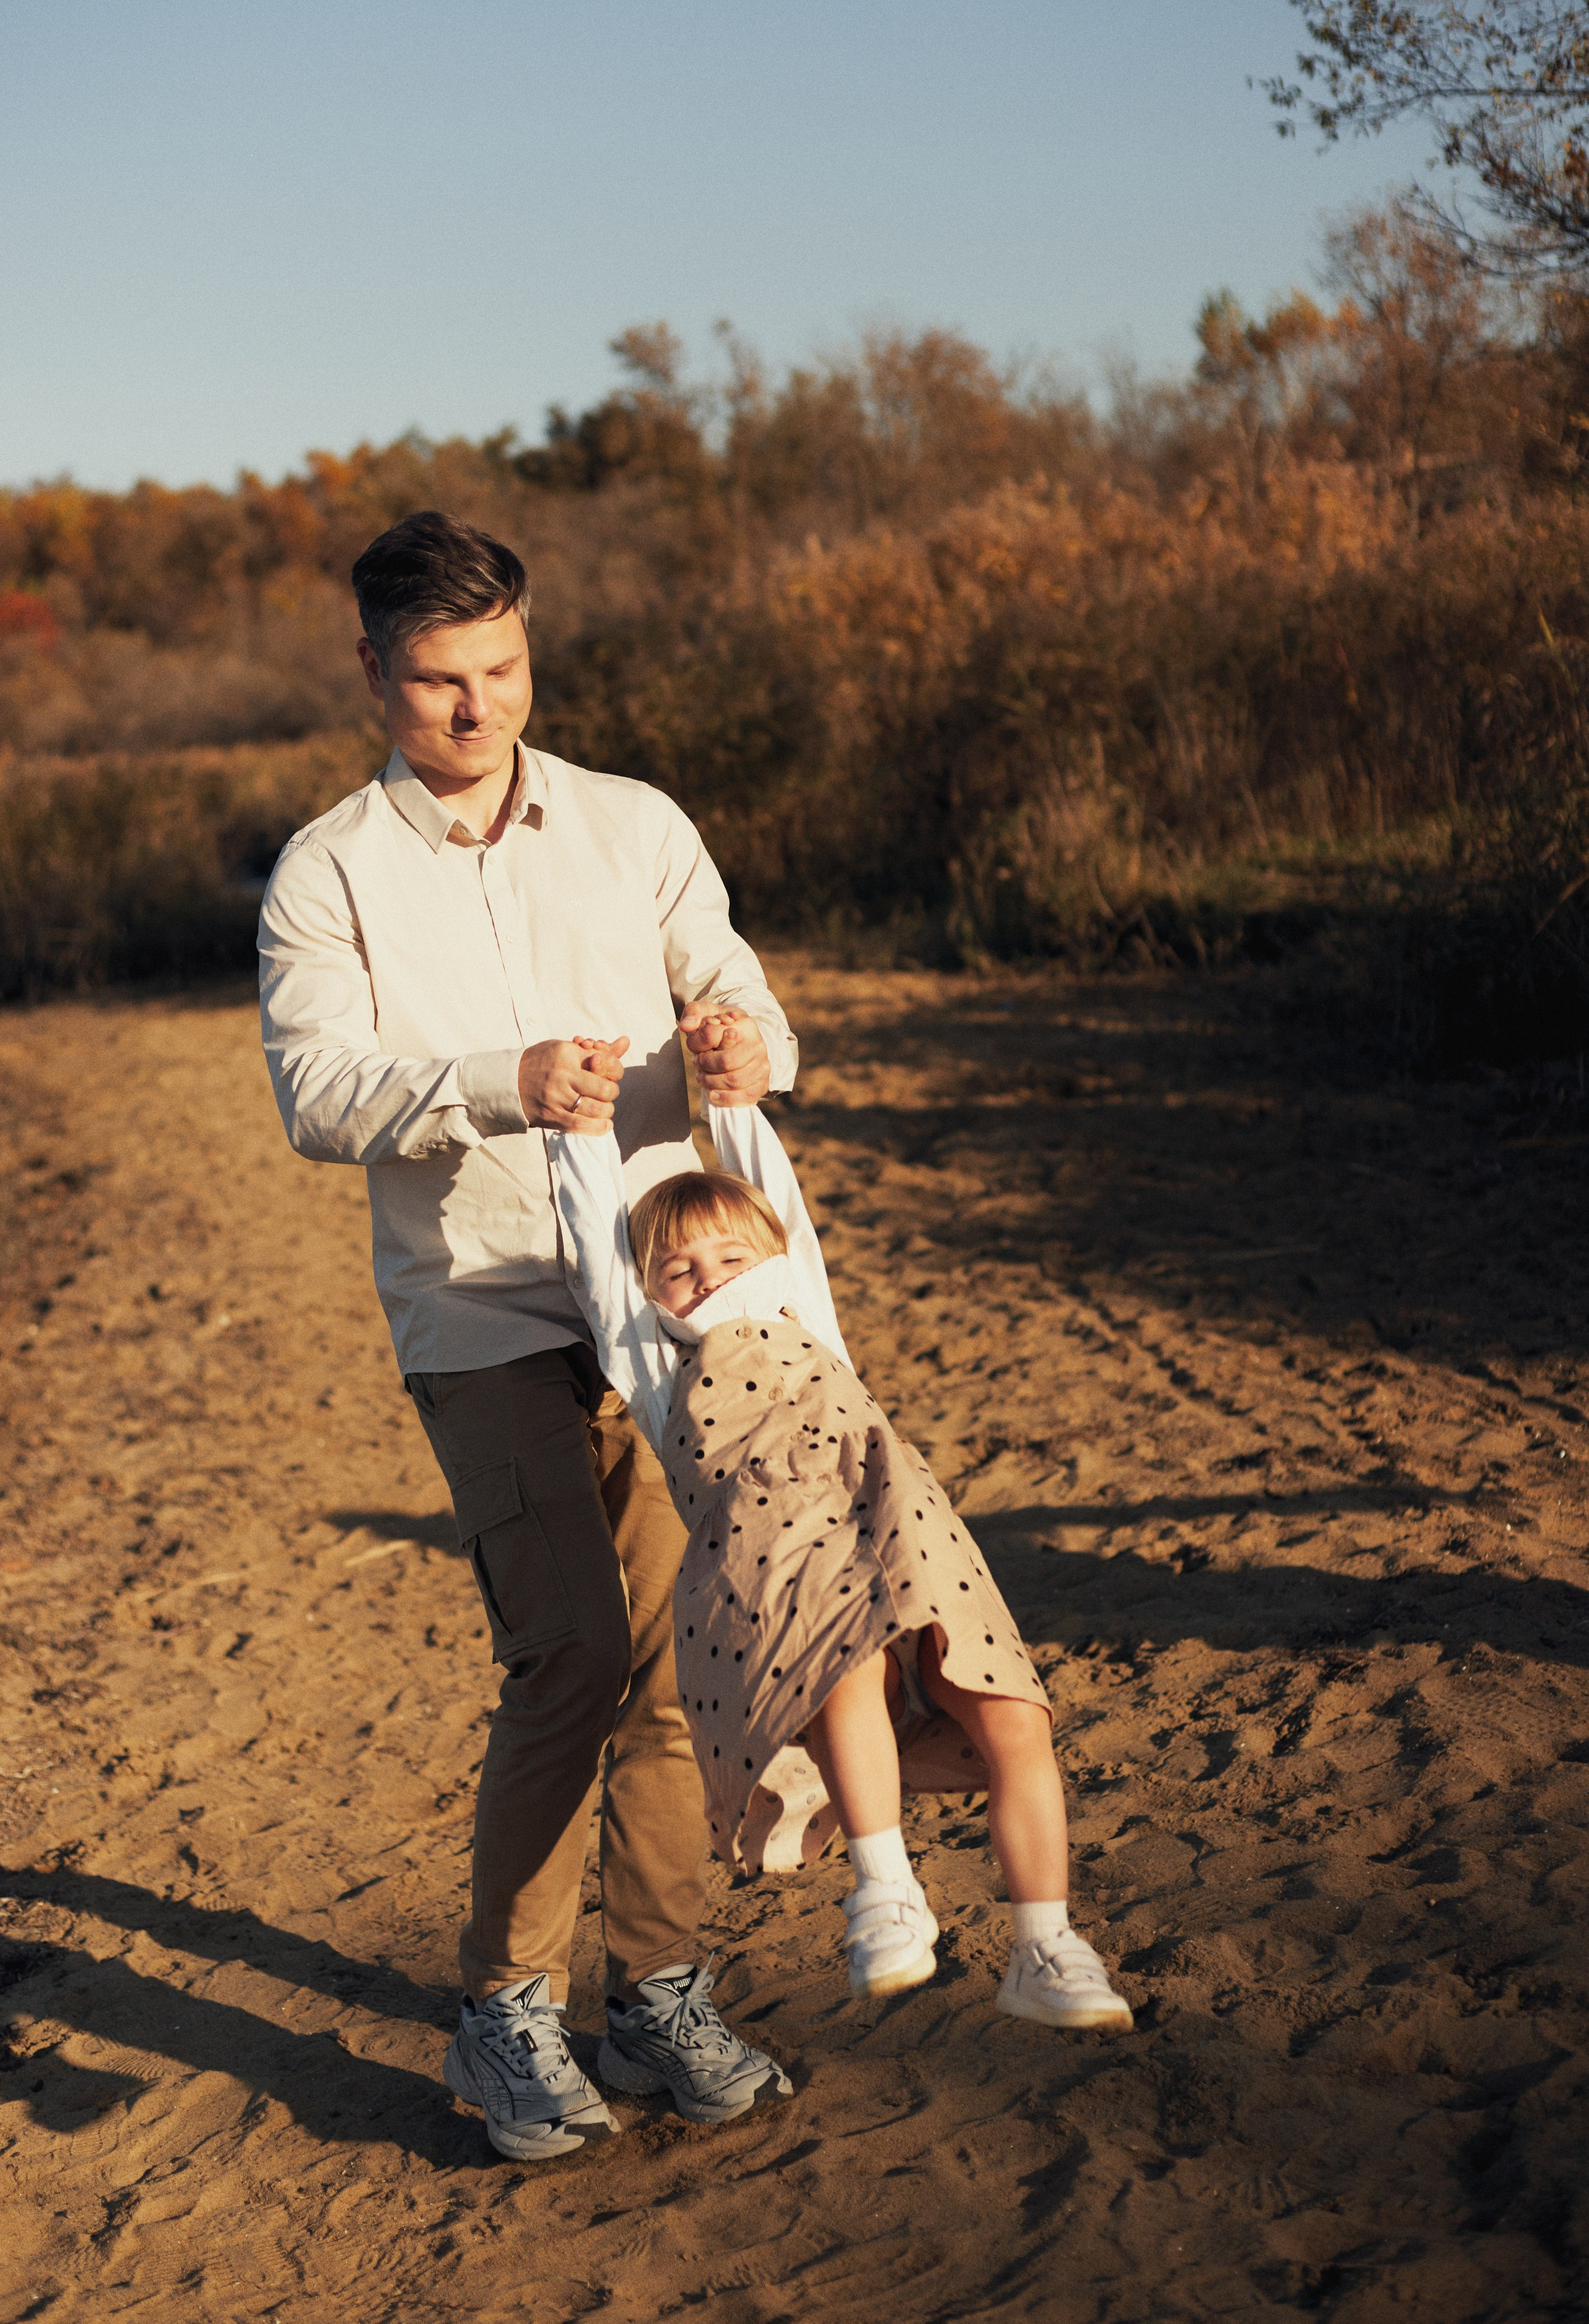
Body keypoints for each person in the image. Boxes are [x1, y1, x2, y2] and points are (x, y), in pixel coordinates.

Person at [257, 510, 795, 2162]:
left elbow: (746, 998)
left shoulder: (634, 823)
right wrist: (500, 1083)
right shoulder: (326, 870)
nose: (476, 707)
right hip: (474, 1309)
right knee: (565, 1649)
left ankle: (656, 1994)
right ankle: (504, 2015)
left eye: (501, 669)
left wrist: (742, 1045)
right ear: (373, 670)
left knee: (670, 1662)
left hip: (660, 1299)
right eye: (439, 680)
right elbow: (317, 1095)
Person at [547, 1073, 1133, 2027]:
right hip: (778, 1565)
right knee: (846, 1670)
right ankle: (885, 1891)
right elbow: (599, 1265)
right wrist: (576, 1137)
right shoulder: (657, 1369)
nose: (708, 1279)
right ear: (650, 1296)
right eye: (678, 1273)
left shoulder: (805, 1318)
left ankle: (1046, 1945)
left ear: (771, 1261)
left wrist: (733, 1106)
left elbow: (783, 1210)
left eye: (729, 1257)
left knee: (1014, 1716)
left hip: (904, 1526)